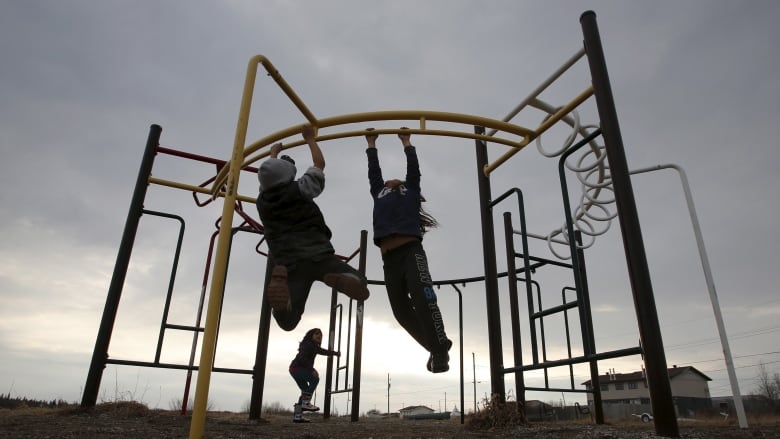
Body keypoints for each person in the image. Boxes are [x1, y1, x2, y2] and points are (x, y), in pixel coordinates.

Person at [256, 125, 370, 331]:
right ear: (287, 176)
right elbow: (319, 164)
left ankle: (283, 309)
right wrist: (310, 139)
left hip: (289, 264)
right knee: (360, 281)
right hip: (318, 255)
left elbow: (267, 177)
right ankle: (346, 279)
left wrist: (274, 154)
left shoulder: (262, 201)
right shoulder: (299, 189)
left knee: (288, 322)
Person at [364, 127, 452, 373]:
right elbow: (374, 173)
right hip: (389, 260)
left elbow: (414, 169)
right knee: (401, 312)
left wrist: (406, 141)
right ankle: (438, 347)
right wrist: (371, 144)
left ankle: (439, 351)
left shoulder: (410, 189)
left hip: (411, 251)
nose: (391, 180)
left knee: (422, 296)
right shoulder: (378, 191)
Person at [288, 328, 339, 423]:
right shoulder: (308, 345)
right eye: (317, 334)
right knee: (315, 379)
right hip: (297, 369)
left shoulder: (313, 346)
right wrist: (311, 369)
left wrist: (334, 353)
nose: (319, 336)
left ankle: (298, 416)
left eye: (321, 335)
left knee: (305, 391)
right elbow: (302, 359)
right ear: (311, 335)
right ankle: (306, 403)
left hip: (294, 370)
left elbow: (323, 351)